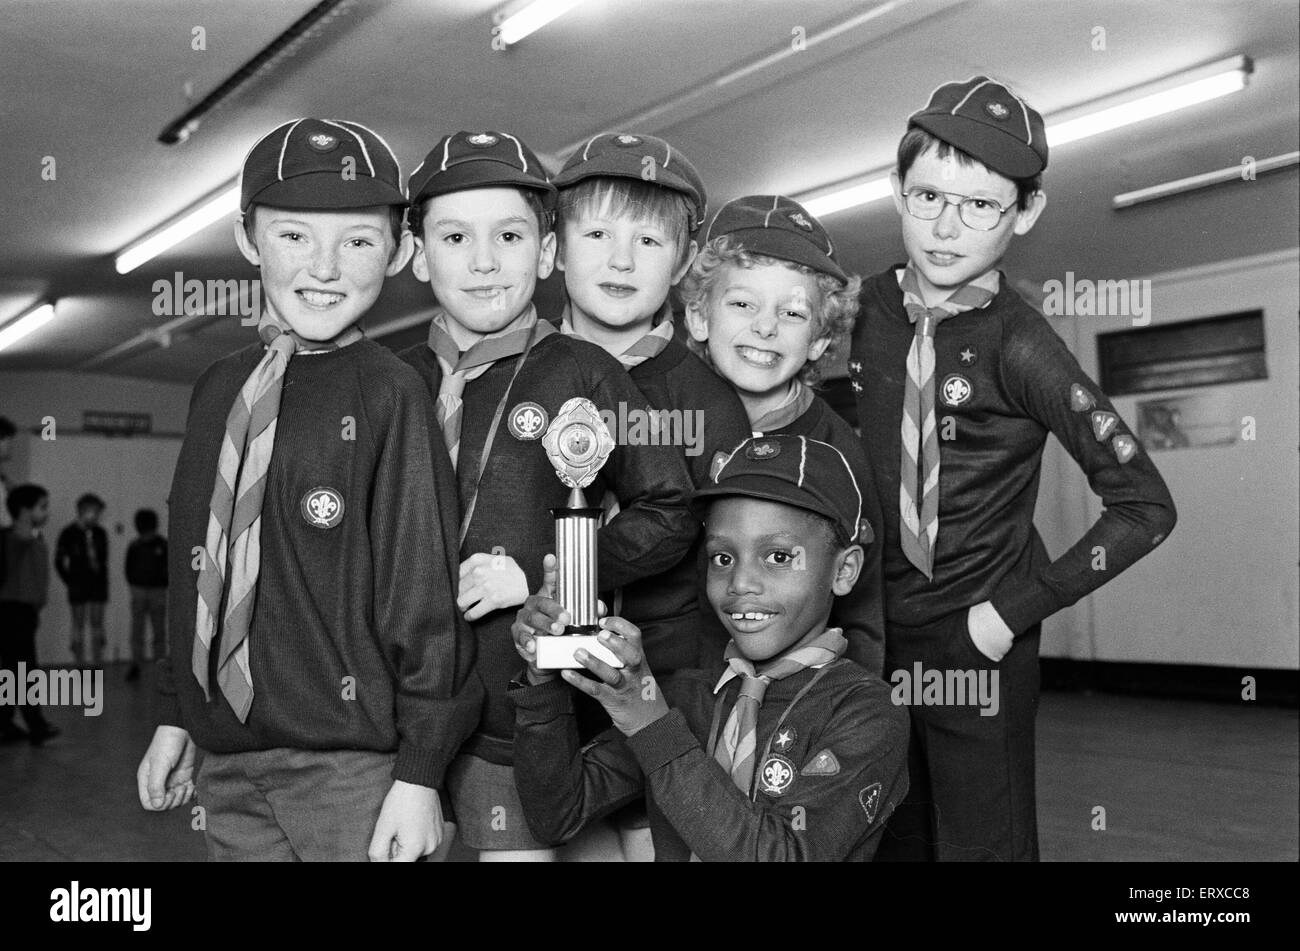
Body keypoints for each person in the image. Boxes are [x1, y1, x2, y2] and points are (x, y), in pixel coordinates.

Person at [135, 117, 482, 862]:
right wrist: (176, 714)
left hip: (348, 771)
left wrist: (420, 773)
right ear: (247, 238)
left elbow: (421, 597)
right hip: (226, 764)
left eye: (358, 241)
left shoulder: (393, 394)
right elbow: (194, 563)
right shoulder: (217, 388)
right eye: (294, 236)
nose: (324, 267)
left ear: (399, 251)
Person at [849, 76, 1177, 861]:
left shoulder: (1023, 344)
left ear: (1025, 211)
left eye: (980, 205)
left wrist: (1010, 614)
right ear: (896, 189)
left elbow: (1145, 507)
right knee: (888, 839)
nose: (945, 228)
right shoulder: (851, 313)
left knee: (984, 848)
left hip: (975, 643)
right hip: (866, 639)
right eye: (926, 196)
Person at [399, 129, 697, 861]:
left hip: (517, 711)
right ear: (415, 253)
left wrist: (546, 575)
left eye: (508, 235)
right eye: (454, 237)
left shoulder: (588, 371)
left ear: (546, 252)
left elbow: (670, 513)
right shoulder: (388, 378)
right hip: (390, 709)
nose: (483, 261)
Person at [508, 435, 909, 861]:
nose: (740, 584)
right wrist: (544, 678)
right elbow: (557, 815)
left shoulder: (868, 712)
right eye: (722, 558)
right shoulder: (681, 697)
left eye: (777, 557)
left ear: (843, 570)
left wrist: (651, 725)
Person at [679, 196, 886, 676]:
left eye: (792, 314)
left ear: (818, 341)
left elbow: (864, 608)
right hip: (661, 685)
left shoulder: (838, 452)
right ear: (699, 318)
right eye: (743, 303)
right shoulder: (660, 421)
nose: (766, 327)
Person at [0, 483, 60, 745]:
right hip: (14, 612)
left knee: (14, 669)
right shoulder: (16, 538)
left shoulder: (32, 537)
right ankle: (36, 725)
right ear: (25, 511)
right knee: (24, 671)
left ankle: (6, 724)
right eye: (42, 507)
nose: (46, 512)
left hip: (23, 612)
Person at [55, 493, 108, 667]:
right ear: (82, 511)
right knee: (78, 624)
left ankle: (96, 663)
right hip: (78, 584)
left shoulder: (100, 533)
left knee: (97, 624)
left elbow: (103, 560)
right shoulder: (69, 533)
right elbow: (59, 560)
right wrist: (70, 580)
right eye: (94, 512)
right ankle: (80, 664)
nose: (97, 516)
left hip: (97, 584)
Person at [124, 508, 168, 682]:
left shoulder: (163, 545)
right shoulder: (134, 546)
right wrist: (135, 586)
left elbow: (168, 568)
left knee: (159, 631)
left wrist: (163, 583)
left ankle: (161, 666)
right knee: (137, 631)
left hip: (158, 591)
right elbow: (128, 569)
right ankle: (136, 664)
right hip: (139, 591)